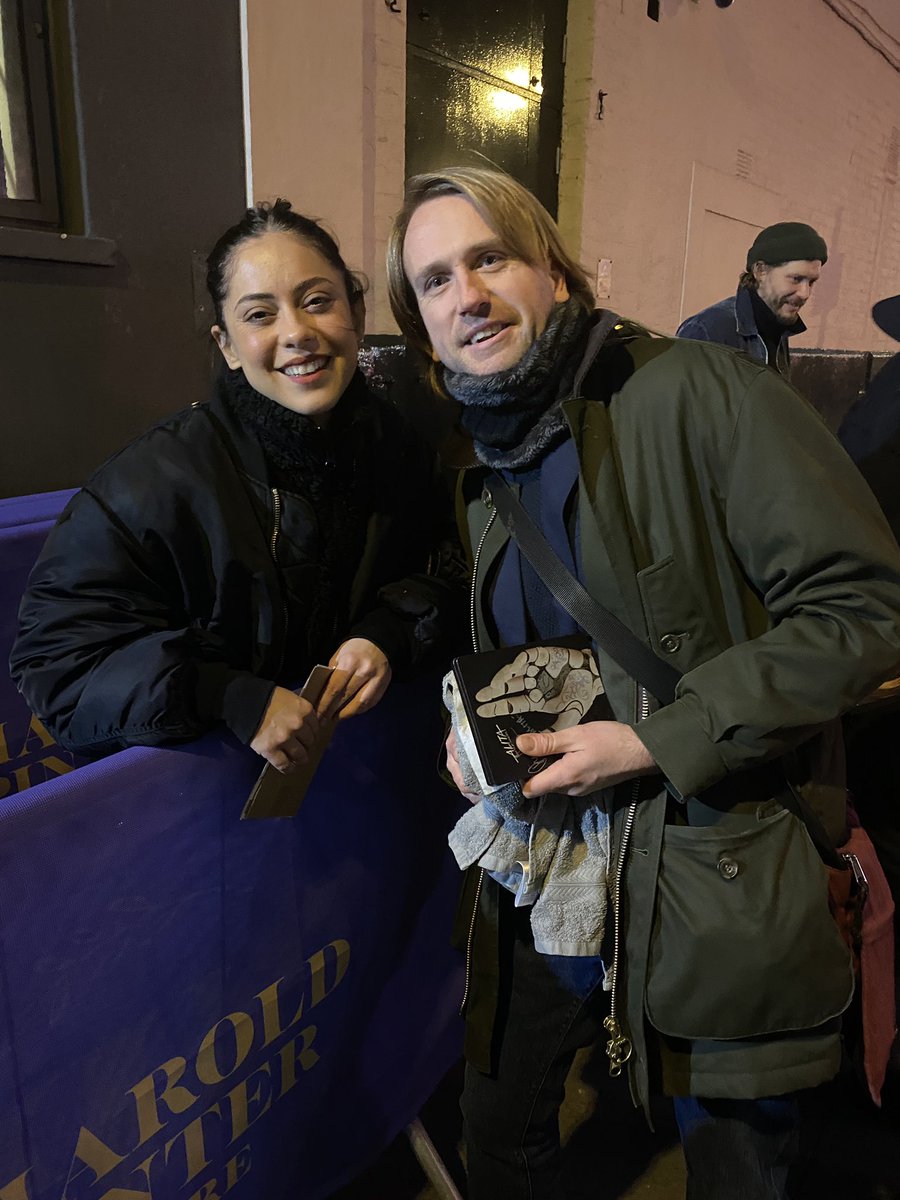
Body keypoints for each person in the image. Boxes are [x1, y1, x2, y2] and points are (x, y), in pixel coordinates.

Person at [385, 167, 900, 1199]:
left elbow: (863, 611)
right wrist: (469, 730)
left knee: (735, 1164)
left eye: (489, 258)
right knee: (502, 1125)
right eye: (435, 280)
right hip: (551, 864)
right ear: (423, 326)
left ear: (553, 269)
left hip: (717, 862)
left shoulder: (702, 395)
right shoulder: (484, 459)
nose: (467, 295)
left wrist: (657, 738)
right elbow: (534, 650)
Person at [10, 200, 457, 768]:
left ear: (356, 312)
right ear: (226, 346)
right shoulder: (150, 485)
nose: (297, 333)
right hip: (211, 826)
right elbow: (58, 666)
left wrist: (390, 634)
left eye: (317, 301)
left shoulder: (400, 447)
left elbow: (445, 565)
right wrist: (226, 695)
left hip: (365, 802)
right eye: (259, 315)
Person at [676, 221, 827, 377]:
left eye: (811, 282)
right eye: (796, 279)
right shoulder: (707, 330)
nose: (805, 293)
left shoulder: (777, 325)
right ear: (760, 271)